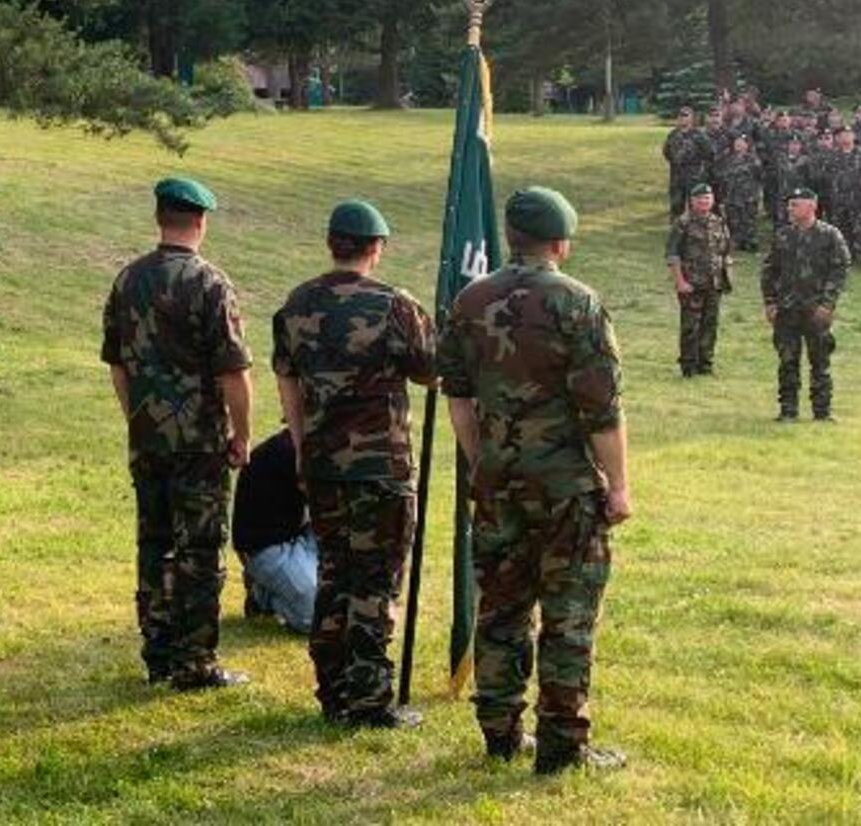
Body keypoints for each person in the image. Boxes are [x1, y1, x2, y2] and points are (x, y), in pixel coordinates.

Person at [437, 186, 630, 774]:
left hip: (498, 484)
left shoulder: (471, 300)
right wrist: (619, 485)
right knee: (567, 616)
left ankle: (499, 734)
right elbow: (602, 409)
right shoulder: (577, 304)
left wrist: (481, 462)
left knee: (501, 609)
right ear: (560, 241)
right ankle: (562, 747)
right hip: (567, 488)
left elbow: (459, 397)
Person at [272, 199, 437, 728]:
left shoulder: (296, 305)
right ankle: (368, 701)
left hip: (321, 465)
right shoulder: (394, 305)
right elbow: (433, 374)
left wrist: (301, 447)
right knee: (375, 582)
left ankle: (332, 689)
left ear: (331, 244)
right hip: (380, 468)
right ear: (376, 249)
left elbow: (288, 384)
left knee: (334, 575)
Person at [100, 177, 253, 691]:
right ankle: (195, 662)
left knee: (154, 542)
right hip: (199, 441)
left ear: (160, 218)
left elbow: (118, 366)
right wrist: (242, 434)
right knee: (201, 550)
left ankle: (158, 651)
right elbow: (233, 372)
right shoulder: (210, 284)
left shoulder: (128, 280)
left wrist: (137, 417)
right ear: (201, 221)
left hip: (148, 437)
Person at [761, 188, 850, 422]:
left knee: (820, 361)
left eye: (795, 205)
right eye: (789, 205)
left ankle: (822, 412)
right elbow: (769, 271)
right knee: (787, 361)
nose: (790, 210)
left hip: (816, 310)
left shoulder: (830, 235)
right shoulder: (783, 235)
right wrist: (770, 302)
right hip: (787, 310)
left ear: (812, 207)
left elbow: (839, 270)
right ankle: (788, 411)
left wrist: (828, 303)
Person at [231, 428, 315, 636]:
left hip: (298, 537)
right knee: (320, 620)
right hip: (266, 549)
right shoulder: (291, 450)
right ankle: (263, 594)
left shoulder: (305, 443)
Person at [665, 184, 733, 377]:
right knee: (690, 327)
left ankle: (706, 365)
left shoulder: (718, 222)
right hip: (691, 284)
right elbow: (672, 255)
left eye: (707, 198)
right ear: (692, 201)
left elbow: (725, 251)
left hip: (714, 284)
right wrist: (680, 282)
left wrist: (726, 278)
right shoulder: (683, 223)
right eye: (700, 198)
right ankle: (688, 366)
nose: (704, 202)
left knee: (710, 325)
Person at [823, 128, 861, 266]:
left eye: (848, 134)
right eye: (841, 135)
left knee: (860, 231)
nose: (845, 137)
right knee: (841, 230)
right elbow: (826, 175)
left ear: (854, 136)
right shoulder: (833, 155)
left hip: (858, 200)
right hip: (838, 200)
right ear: (837, 138)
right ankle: (846, 257)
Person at [713, 135, 763, 251]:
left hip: (748, 196)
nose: (739, 145)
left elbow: (759, 174)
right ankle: (736, 241)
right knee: (733, 220)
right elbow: (719, 175)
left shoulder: (753, 159)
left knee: (749, 220)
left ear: (747, 145)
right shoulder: (727, 159)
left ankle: (750, 242)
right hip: (732, 195)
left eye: (742, 143)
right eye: (737, 142)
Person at [661, 108, 713, 217]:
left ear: (692, 118)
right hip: (676, 175)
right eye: (680, 116)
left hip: (693, 175)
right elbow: (666, 152)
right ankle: (677, 230)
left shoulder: (699, 135)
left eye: (685, 115)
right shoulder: (673, 134)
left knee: (694, 205)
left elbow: (709, 153)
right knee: (676, 205)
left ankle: (695, 231)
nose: (682, 118)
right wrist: (675, 162)